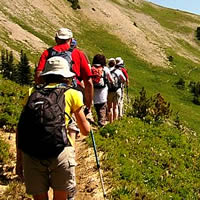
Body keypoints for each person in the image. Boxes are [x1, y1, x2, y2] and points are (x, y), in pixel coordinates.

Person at [16, 56, 91, 200]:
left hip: (32, 152)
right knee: (61, 197)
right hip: (61, 150)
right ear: (65, 76)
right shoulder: (73, 93)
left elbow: (21, 127)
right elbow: (85, 130)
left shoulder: (32, 92)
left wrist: (19, 160)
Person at [35, 28, 94, 115]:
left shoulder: (47, 53)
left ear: (56, 39)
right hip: (73, 91)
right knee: (78, 122)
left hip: (49, 93)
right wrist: (88, 106)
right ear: (70, 39)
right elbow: (88, 82)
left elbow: (38, 76)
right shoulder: (78, 53)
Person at [91, 54, 113, 127]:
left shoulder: (91, 68)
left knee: (97, 109)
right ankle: (102, 126)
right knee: (102, 109)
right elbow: (111, 80)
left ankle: (98, 123)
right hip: (103, 93)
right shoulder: (105, 69)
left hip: (94, 93)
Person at [107, 58, 126, 123]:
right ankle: (116, 122)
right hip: (117, 90)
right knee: (115, 106)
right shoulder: (118, 71)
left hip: (109, 91)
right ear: (115, 64)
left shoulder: (107, 70)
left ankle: (110, 122)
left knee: (110, 107)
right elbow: (124, 79)